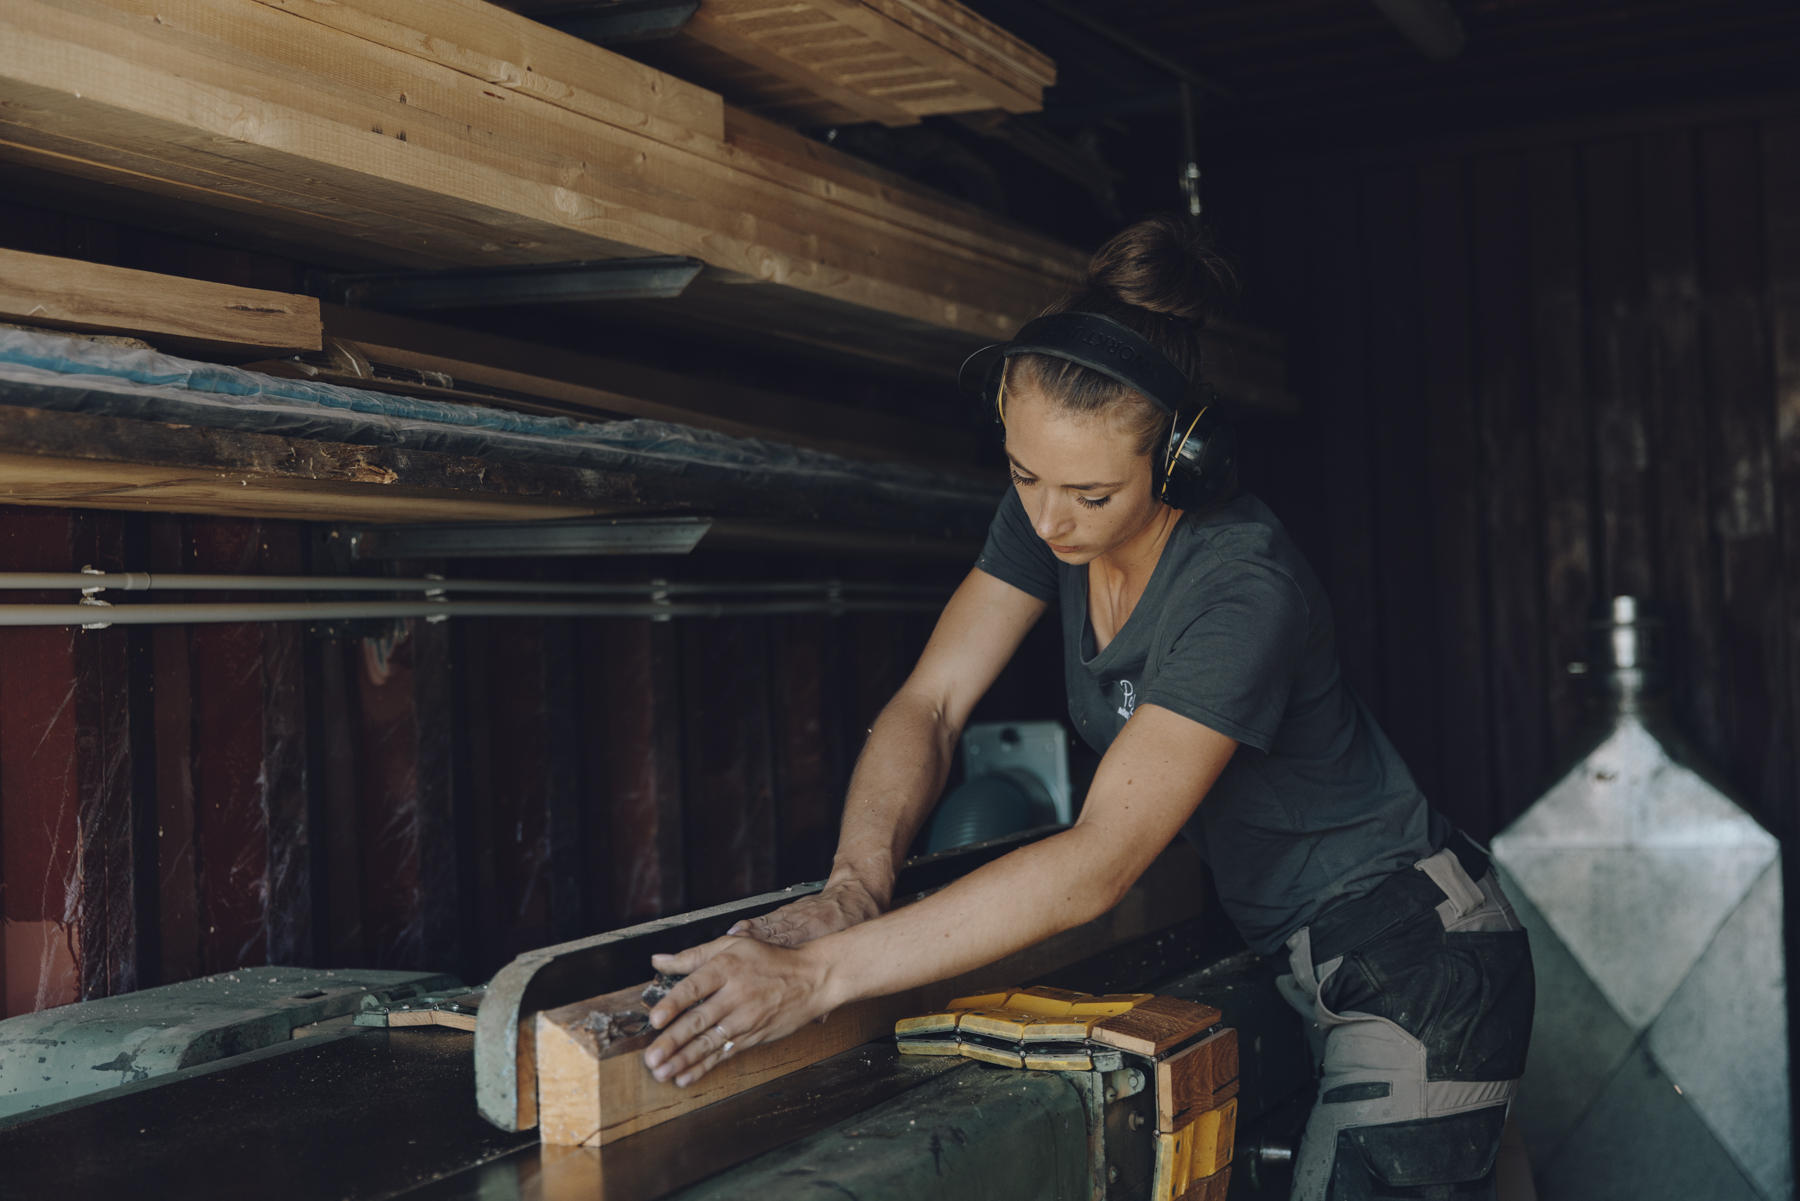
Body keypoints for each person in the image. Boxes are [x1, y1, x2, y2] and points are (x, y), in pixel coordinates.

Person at [642, 215, 1535, 1201]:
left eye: (1090, 493)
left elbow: (1101, 860)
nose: (1048, 517)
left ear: (1183, 461)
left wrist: (820, 976)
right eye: (1024, 475)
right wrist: (855, 886)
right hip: (1309, 953)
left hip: (1412, 963)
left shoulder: (1243, 587)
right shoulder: (1052, 521)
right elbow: (931, 704)